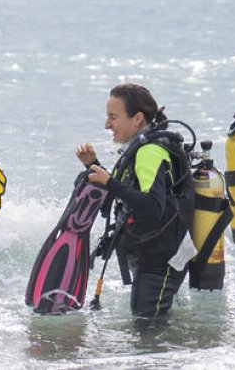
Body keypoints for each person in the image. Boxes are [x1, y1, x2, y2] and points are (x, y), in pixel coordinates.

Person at [76, 83, 191, 318]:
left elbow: (151, 207)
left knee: (148, 328)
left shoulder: (149, 152)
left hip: (160, 261)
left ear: (137, 118)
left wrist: (109, 182)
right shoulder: (139, 148)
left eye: (113, 117)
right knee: (152, 324)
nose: (107, 125)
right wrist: (92, 165)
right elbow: (122, 192)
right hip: (152, 253)